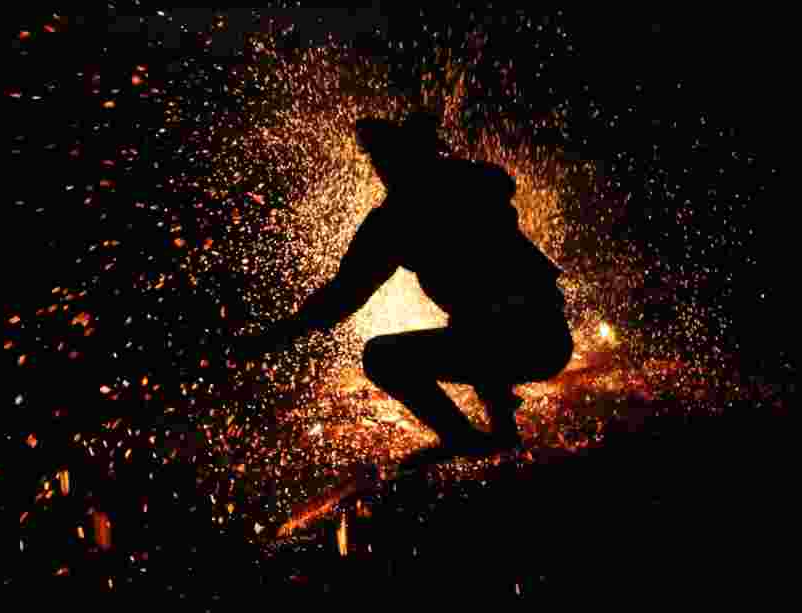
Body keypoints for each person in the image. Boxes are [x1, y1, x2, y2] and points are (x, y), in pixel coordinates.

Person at [219, 111, 574, 473]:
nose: (380, 170)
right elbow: (499, 183)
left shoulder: (398, 221)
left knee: (383, 356)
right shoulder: (468, 184)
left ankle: (464, 438)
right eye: (377, 160)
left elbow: (340, 299)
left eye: (383, 159)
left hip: (523, 339)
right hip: (548, 341)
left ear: (400, 160)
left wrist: (266, 340)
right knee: (476, 317)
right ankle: (500, 432)